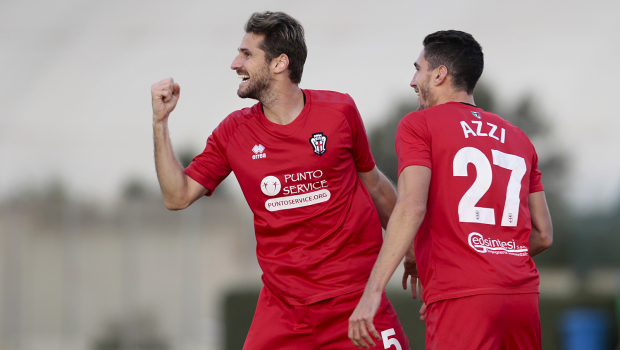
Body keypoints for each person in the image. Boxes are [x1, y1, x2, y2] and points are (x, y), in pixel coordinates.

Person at [151, 11, 409, 350]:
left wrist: (413, 251)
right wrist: (160, 123)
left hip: (355, 302)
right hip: (284, 312)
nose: (234, 63)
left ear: (279, 63)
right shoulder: (233, 132)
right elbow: (177, 196)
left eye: (246, 54)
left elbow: (374, 186)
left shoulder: (339, 112)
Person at [349, 30, 553, 350]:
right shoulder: (519, 138)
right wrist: (490, 268)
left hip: (463, 296)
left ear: (440, 74)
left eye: (418, 69)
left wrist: (373, 291)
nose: (413, 80)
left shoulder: (419, 124)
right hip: (523, 298)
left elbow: (411, 206)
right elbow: (543, 234)